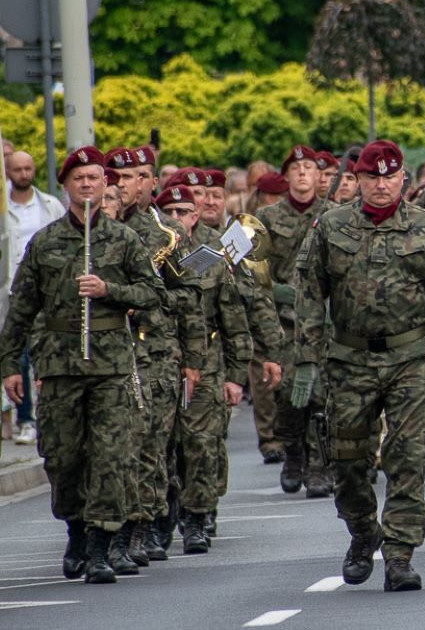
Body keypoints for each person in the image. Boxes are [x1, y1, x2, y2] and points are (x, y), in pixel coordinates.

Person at [294, 139, 425, 591]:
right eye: (371, 177)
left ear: (402, 180)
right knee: (349, 460)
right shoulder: (332, 226)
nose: (380, 185)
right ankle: (361, 531)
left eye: (389, 177)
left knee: (407, 458)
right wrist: (305, 363)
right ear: (358, 179)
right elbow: (310, 296)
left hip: (409, 360)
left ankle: (399, 554)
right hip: (349, 360)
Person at [0, 146, 162, 583]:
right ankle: (74, 527)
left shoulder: (123, 239)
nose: (87, 185)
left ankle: (99, 545)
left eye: (94, 177)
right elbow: (21, 307)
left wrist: (110, 289)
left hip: (109, 362)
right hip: (59, 361)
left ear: (105, 183)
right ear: (66, 185)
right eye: (79, 179)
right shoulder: (46, 241)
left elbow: (153, 294)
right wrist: (9, 364)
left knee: (111, 456)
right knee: (63, 456)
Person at [109, 147, 208, 565]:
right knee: (111, 447)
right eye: (122, 177)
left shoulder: (171, 233)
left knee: (151, 445)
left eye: (139, 176)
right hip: (105, 349)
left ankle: (141, 527)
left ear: (151, 182)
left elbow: (192, 293)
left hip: (156, 351)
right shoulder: (98, 228)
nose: (129, 184)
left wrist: (193, 360)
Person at [157, 184, 252, 553]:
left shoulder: (211, 258)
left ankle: (197, 516)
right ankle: (160, 516)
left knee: (200, 442)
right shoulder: (152, 252)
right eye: (170, 212)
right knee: (163, 443)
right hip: (161, 357)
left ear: (195, 216)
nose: (177, 219)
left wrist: (235, 375)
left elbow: (233, 318)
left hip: (207, 360)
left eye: (184, 212)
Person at [257, 145, 332, 498]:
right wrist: (276, 291)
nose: (303, 173)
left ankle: (319, 467)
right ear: (285, 176)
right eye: (296, 168)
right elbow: (253, 270)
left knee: (322, 395)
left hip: (324, 322)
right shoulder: (268, 219)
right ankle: (294, 453)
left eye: (309, 167)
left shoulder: (334, 215)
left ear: (320, 176)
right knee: (288, 397)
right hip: (284, 322)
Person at [1, 151, 66, 446]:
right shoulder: (4, 208)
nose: (24, 174)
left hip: (46, 289)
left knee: (39, 351)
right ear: (8, 171)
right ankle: (25, 417)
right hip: (12, 289)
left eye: (28, 168)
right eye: (18, 169)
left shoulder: (49, 205)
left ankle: (38, 413)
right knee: (19, 354)